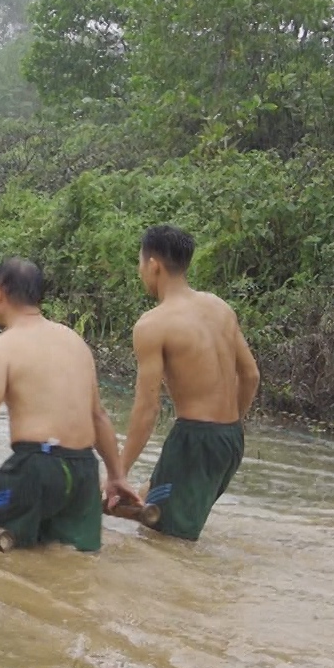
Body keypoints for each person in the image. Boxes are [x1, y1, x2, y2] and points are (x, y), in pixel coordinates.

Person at [0, 259, 118, 551]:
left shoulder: (2, 347)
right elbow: (99, 416)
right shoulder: (74, 341)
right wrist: (117, 476)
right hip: (83, 470)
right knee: (67, 560)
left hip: (37, 467)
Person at [104, 226, 259, 540]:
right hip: (230, 441)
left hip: (195, 442)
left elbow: (147, 410)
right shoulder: (220, 308)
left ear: (153, 265)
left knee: (164, 543)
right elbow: (251, 375)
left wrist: (118, 473)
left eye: (140, 263)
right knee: (153, 504)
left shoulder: (153, 324)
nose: (140, 272)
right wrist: (229, 428)